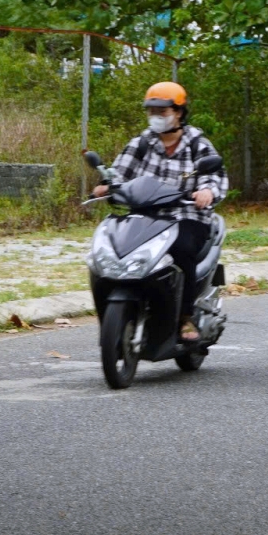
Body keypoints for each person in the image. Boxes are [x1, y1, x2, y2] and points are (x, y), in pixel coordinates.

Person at [93, 81, 228, 340]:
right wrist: (106, 186)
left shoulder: (197, 143)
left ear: (178, 112)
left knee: (181, 249)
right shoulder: (142, 142)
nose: (156, 117)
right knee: (113, 246)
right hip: (145, 216)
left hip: (186, 215)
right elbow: (120, 172)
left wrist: (207, 191)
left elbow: (215, 176)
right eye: (151, 111)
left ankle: (184, 317)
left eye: (162, 112)